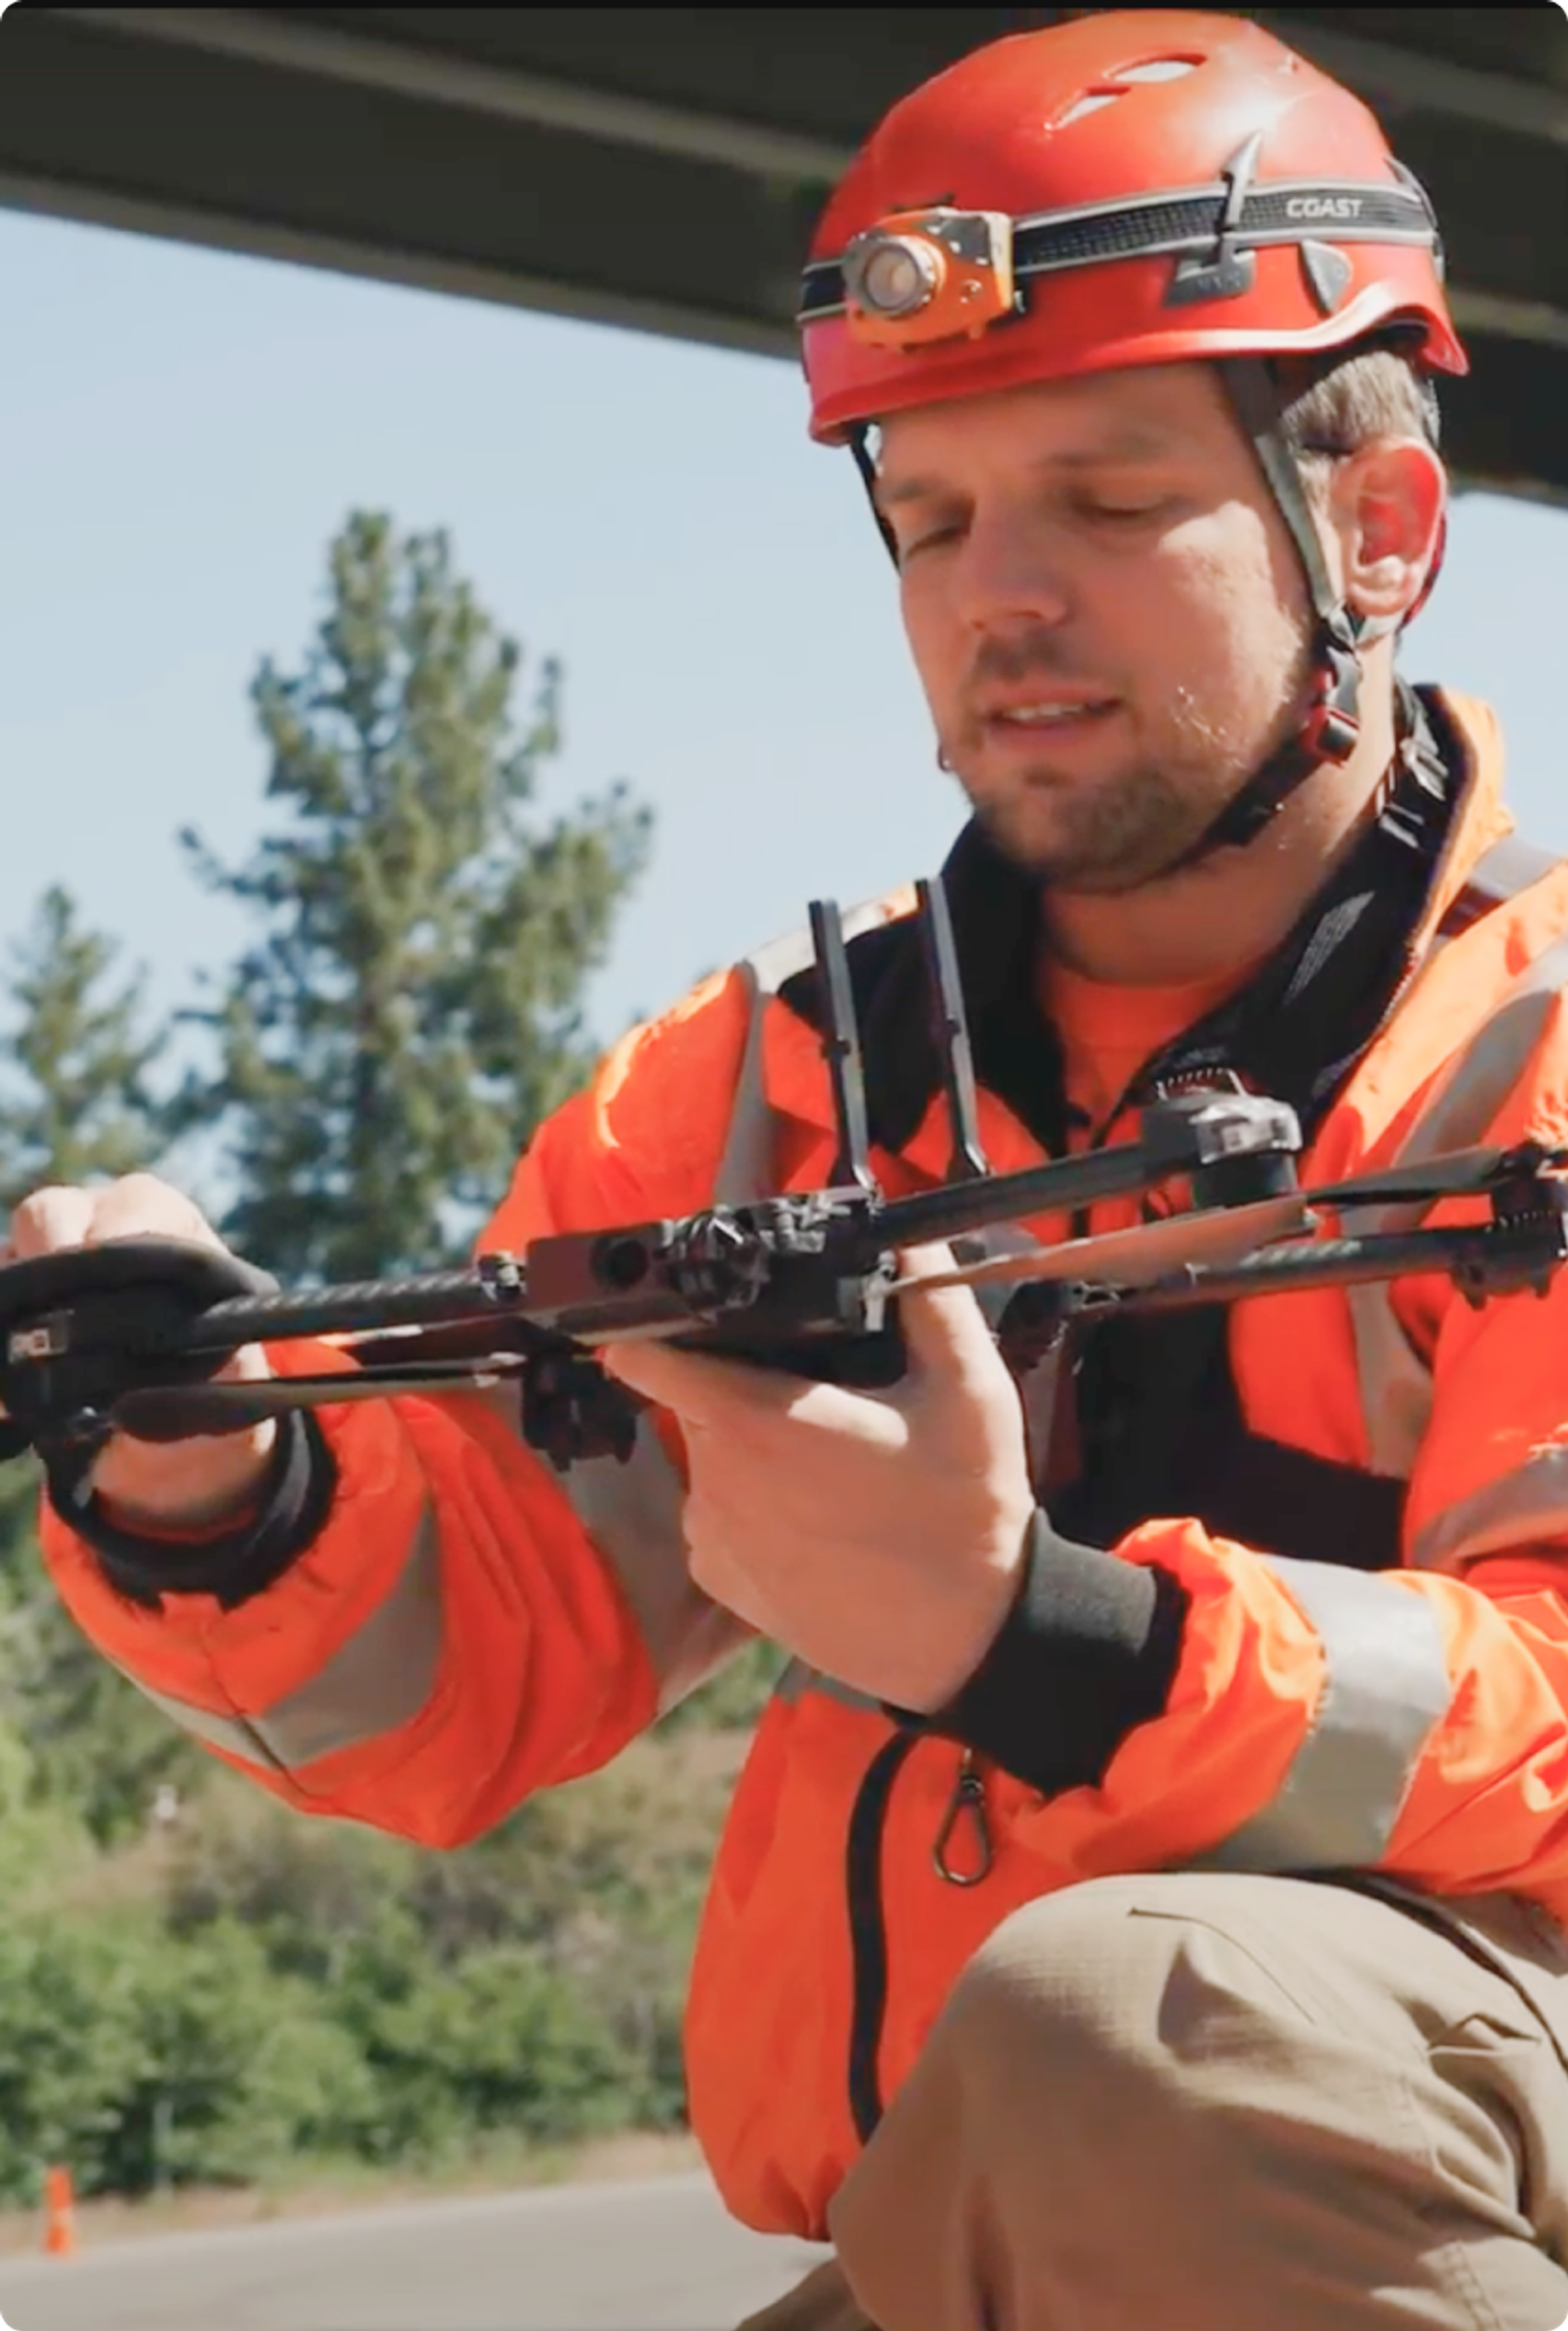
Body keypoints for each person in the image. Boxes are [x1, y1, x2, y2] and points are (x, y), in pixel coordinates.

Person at [15, 13, 1568, 2327]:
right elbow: (481, 1650)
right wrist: (197, 1477)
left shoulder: (1532, 1044)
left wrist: (1048, 1641)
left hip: (1382, 2137)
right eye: (931, 518)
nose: (997, 596)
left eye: (1114, 502)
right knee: (1098, 2069)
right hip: (970, 2217)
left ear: (1379, 528)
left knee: (1135, 2030)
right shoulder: (776, 1080)